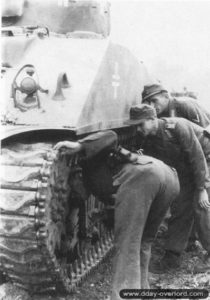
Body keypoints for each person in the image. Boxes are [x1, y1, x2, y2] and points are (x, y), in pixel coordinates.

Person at [54, 130, 180, 300]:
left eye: (72, 189)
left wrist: (80, 145)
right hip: (168, 177)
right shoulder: (99, 174)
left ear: (77, 176)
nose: (74, 196)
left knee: (127, 243)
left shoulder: (89, 165)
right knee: (143, 241)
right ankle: (143, 291)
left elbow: (111, 136)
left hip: (144, 178)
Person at [125, 104, 210, 273]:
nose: (138, 129)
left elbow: (197, 158)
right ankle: (173, 257)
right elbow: (141, 154)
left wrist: (201, 189)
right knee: (180, 208)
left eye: (141, 124)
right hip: (185, 169)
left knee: (202, 207)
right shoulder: (147, 137)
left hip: (205, 161)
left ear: (152, 119)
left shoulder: (177, 127)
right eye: (135, 126)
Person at [142, 83, 210, 127]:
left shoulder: (185, 105)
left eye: (154, 101)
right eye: (148, 102)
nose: (151, 106)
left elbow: (204, 131)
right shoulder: (158, 114)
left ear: (166, 96)